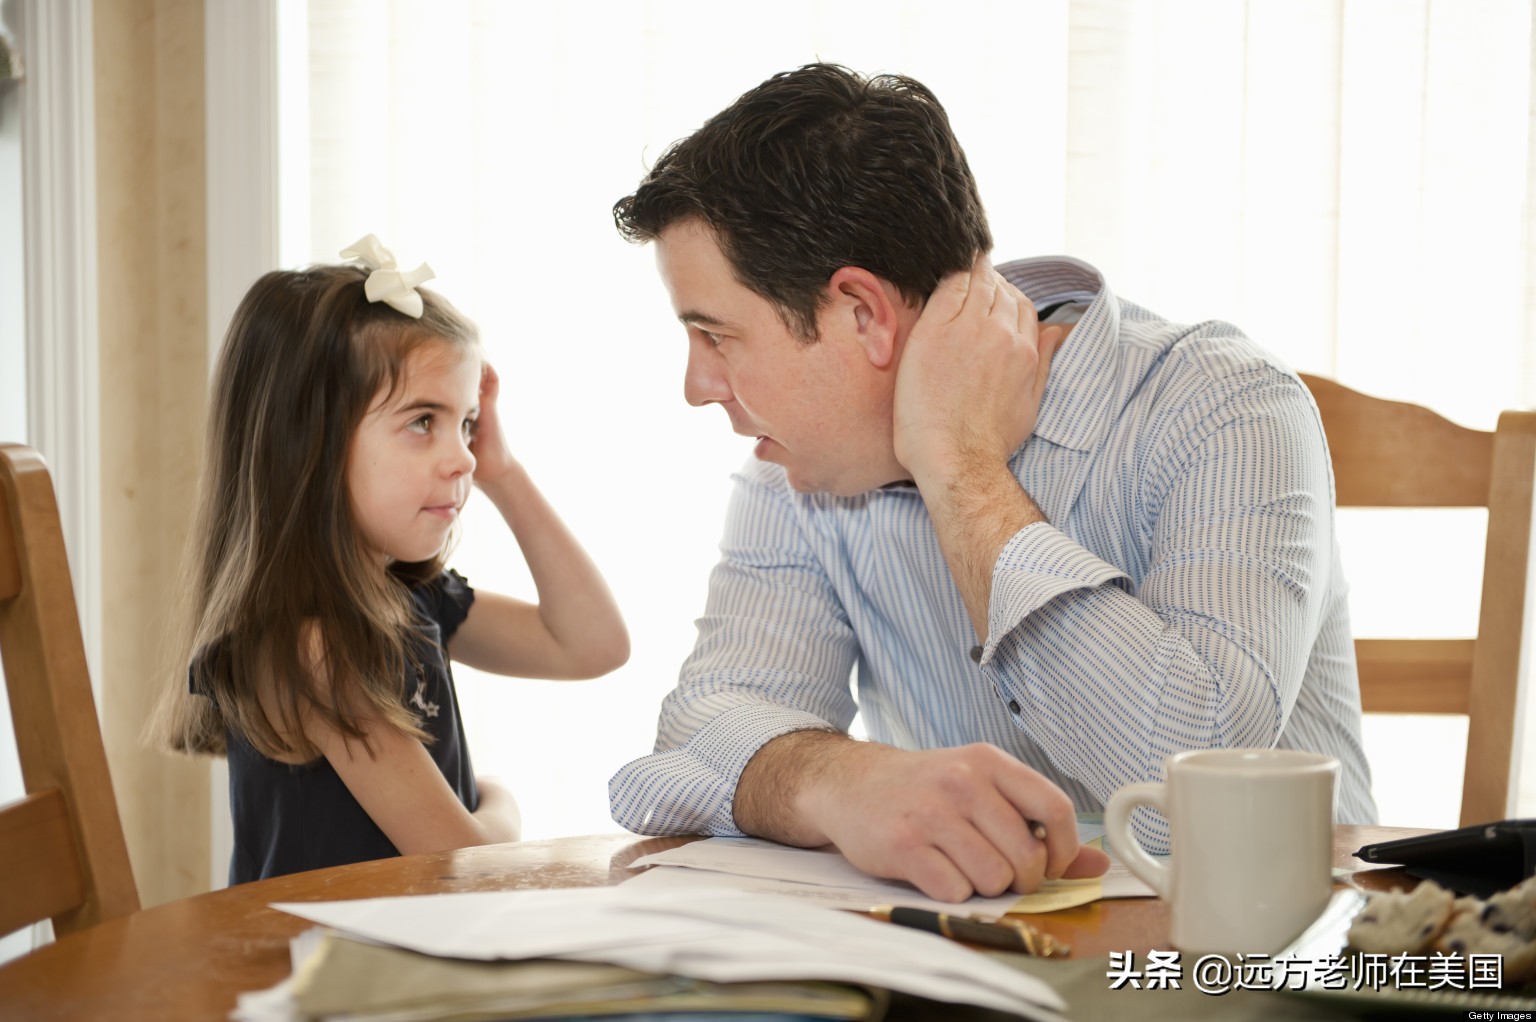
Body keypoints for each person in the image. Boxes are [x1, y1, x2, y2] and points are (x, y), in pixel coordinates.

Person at [606, 64, 1376, 903]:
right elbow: (692, 739)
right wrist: (839, 781)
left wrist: (959, 465)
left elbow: (1189, 801)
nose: (697, 385)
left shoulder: (1225, 405)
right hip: (974, 963)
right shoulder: (796, 471)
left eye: (716, 335)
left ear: (861, 313)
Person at [149, 235, 629, 884]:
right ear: (308, 446)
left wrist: (504, 472)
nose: (461, 456)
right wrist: (502, 805)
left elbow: (592, 646)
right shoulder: (311, 651)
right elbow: (463, 864)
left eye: (466, 425)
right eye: (422, 421)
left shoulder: (413, 599)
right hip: (321, 974)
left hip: (404, 956)